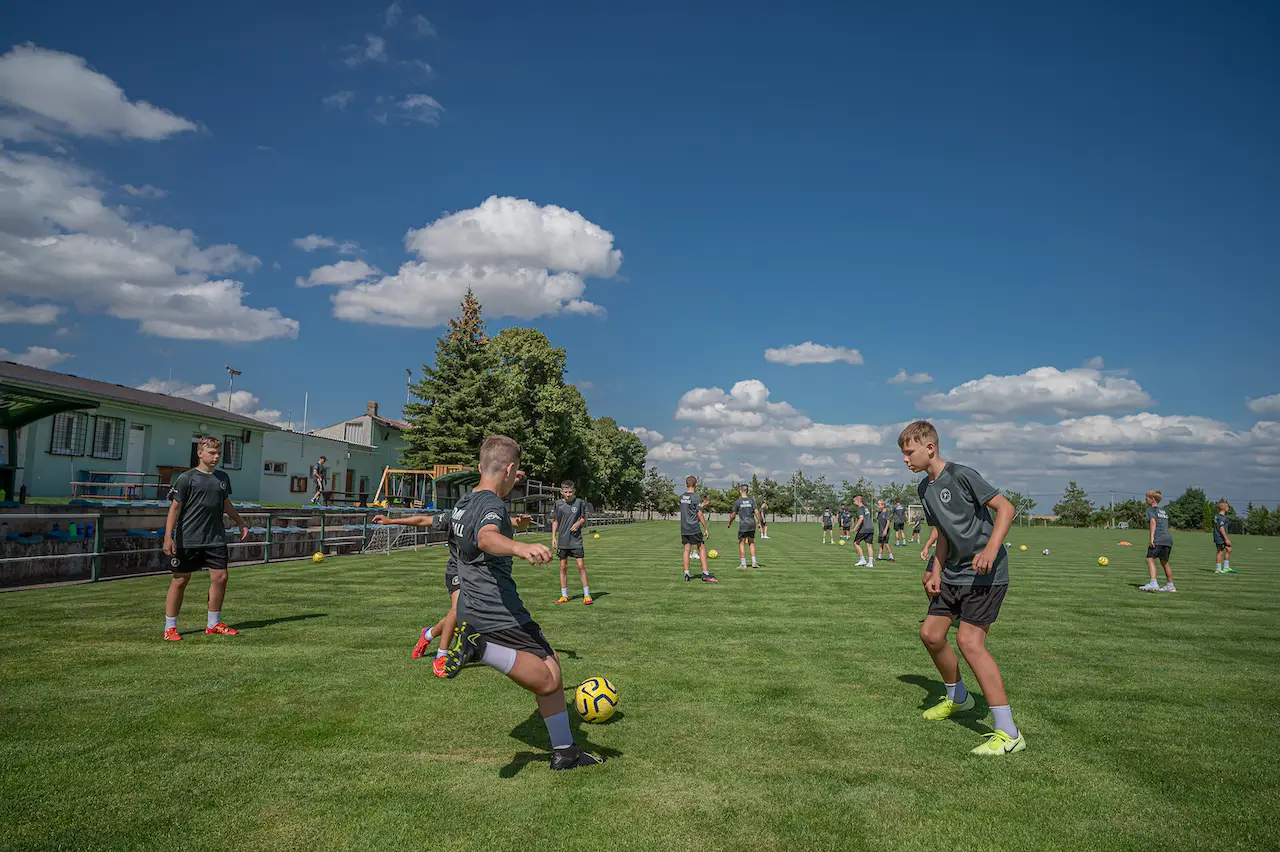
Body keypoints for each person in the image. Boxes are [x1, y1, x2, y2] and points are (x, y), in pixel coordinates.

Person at [441, 435, 606, 770]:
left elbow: (470, 539)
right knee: (548, 678)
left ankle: (565, 752)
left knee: (551, 663)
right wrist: (520, 546)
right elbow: (486, 537)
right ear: (510, 469)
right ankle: (480, 648)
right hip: (495, 608)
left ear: (480, 466)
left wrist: (512, 527)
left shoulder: (464, 502)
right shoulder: (492, 505)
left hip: (472, 603)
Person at [900, 419, 1025, 756]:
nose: (906, 460)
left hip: (985, 574)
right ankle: (959, 698)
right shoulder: (924, 489)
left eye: (909, 452)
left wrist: (991, 550)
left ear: (930, 448)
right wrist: (936, 570)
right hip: (953, 574)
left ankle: (1009, 732)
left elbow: (1006, 509)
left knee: (969, 642)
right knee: (931, 635)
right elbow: (942, 533)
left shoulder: (962, 475)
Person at [161, 436, 250, 641]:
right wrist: (168, 536)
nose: (216, 457)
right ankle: (170, 627)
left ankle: (213, 624)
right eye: (212, 453)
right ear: (200, 453)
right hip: (188, 538)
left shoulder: (223, 478)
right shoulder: (186, 478)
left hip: (215, 538)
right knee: (180, 580)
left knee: (221, 578)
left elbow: (226, 503)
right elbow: (175, 508)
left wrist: (240, 522)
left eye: (219, 453)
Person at [373, 510, 455, 675]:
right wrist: (391, 521)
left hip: (480, 573)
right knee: (459, 609)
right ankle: (441, 656)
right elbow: (423, 520)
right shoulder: (457, 514)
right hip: (458, 569)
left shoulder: (491, 512)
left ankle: (428, 634)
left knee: (464, 617)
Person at [551, 479, 592, 605]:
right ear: (561, 492)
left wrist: (578, 523)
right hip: (563, 540)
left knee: (581, 566)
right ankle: (564, 596)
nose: (568, 494)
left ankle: (587, 595)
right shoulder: (558, 504)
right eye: (566, 492)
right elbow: (555, 521)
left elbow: (583, 518)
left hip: (576, 540)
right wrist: (553, 537)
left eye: (570, 492)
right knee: (563, 567)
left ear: (574, 491)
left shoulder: (579, 503)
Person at [680, 476, 717, 582]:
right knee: (702, 548)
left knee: (686, 549)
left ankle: (687, 574)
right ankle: (706, 574)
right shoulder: (695, 497)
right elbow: (699, 514)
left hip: (684, 527)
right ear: (695, 484)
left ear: (686, 484)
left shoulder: (681, 497)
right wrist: (706, 528)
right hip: (693, 527)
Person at [1140, 490, 1175, 592]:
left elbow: (1153, 522)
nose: (1146, 499)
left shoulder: (1151, 510)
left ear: (1152, 499)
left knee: (1149, 559)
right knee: (1164, 561)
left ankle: (1153, 583)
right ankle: (1171, 585)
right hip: (1168, 539)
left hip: (1158, 538)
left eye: (1147, 498)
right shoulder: (1163, 511)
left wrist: (1152, 538)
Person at [728, 484, 762, 568]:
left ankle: (743, 564)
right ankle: (754, 563)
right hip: (752, 524)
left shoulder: (738, 502)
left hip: (743, 525)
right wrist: (759, 523)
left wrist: (730, 523)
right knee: (751, 542)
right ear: (747, 491)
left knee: (742, 543)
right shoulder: (751, 501)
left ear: (740, 491)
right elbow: (757, 512)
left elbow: (733, 515)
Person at [852, 495, 874, 567]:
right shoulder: (866, 508)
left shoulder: (860, 509)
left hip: (864, 529)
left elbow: (861, 518)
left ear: (858, 501)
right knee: (869, 545)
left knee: (856, 543)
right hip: (871, 528)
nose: (854, 502)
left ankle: (862, 560)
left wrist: (855, 528)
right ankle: (870, 563)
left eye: (854, 501)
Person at [1213, 501, 1235, 574]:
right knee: (1220, 552)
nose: (1228, 508)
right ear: (1224, 508)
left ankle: (1226, 567)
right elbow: (1221, 528)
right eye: (1227, 506)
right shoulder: (1221, 518)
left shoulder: (1217, 516)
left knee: (1229, 549)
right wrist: (1226, 539)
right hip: (1220, 537)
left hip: (1221, 537)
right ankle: (1218, 569)